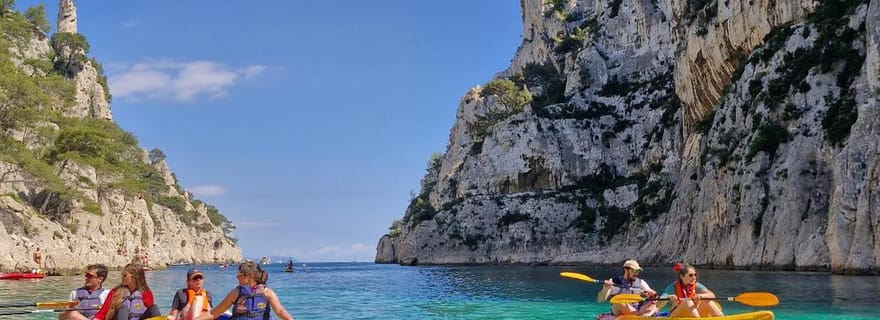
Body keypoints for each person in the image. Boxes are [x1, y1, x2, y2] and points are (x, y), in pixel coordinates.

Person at [194, 261, 293, 320]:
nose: (236, 277)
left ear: (251, 276)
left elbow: (279, 310)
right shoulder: (236, 292)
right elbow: (214, 313)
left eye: (240, 275)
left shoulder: (267, 293)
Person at [93, 263, 161, 320]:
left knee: (153, 308)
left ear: (135, 277)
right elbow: (103, 312)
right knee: (123, 308)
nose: (122, 277)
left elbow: (150, 312)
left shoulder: (146, 293)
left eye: (124, 275)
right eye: (122, 275)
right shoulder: (115, 292)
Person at [658, 263, 724, 317]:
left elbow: (712, 295)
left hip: (691, 314)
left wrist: (701, 296)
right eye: (691, 275)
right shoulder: (672, 287)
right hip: (677, 316)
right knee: (688, 301)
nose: (694, 277)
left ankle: (722, 318)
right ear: (681, 276)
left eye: (695, 275)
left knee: (707, 301)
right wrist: (668, 297)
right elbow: (658, 304)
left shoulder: (696, 285)